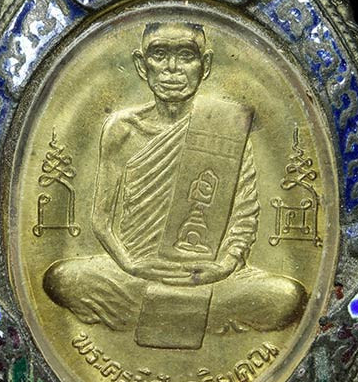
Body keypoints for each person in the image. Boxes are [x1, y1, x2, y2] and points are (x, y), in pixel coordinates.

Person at [44, 21, 307, 347]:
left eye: (185, 55)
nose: (172, 68)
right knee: (61, 279)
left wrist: (222, 268)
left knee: (286, 297)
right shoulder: (122, 129)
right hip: (133, 272)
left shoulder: (229, 129)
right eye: (159, 55)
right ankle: (192, 315)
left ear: (205, 65)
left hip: (208, 275)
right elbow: (100, 219)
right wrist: (130, 264)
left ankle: (156, 313)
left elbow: (244, 219)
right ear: (142, 65)